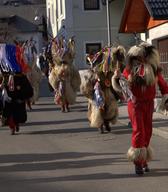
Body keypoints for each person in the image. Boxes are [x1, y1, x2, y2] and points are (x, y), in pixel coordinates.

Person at [112, 42, 168, 175]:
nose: (141, 59)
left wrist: (166, 96)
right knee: (139, 130)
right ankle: (137, 161)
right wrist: (117, 77)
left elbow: (162, 83)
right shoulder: (129, 69)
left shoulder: (153, 69)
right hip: (135, 104)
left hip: (149, 104)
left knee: (148, 131)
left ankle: (144, 159)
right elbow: (121, 85)